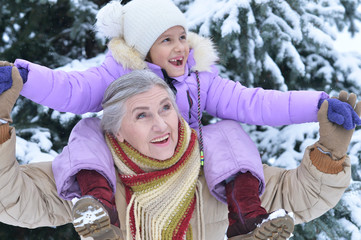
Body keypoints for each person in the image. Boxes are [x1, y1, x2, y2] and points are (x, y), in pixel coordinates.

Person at [1, 0, 360, 238]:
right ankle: (101, 210)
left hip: (195, 158)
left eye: (182, 37)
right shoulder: (114, 77)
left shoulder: (201, 79)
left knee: (225, 135)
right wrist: (24, 78)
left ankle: (248, 216)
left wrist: (321, 113)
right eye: (166, 40)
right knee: (88, 134)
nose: (180, 47)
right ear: (141, 49)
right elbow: (70, 90)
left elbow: (257, 103)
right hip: (106, 176)